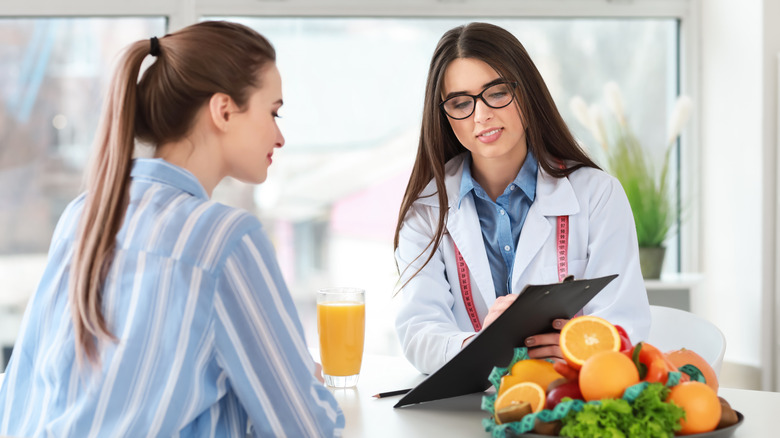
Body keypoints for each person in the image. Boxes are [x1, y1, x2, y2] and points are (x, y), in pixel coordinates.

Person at [0, 21, 344, 437]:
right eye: (273, 112)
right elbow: (304, 426)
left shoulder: (83, 214)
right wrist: (304, 379)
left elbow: (20, 393)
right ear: (223, 110)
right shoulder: (226, 239)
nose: (280, 135)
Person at [393, 22, 651, 375]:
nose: (481, 115)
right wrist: (484, 345)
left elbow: (626, 319)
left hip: (568, 403)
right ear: (445, 115)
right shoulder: (426, 212)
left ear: (526, 92)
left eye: (496, 93)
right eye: (460, 102)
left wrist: (577, 346)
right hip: (467, 411)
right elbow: (418, 332)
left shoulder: (597, 195)